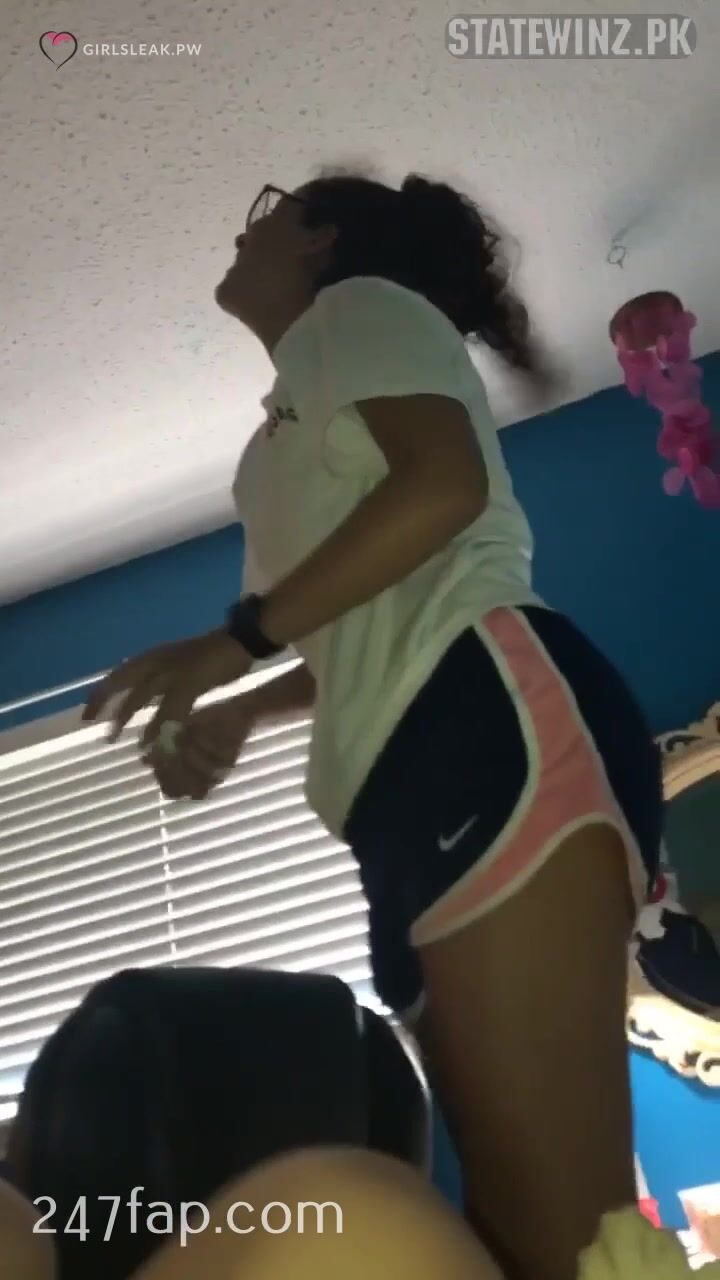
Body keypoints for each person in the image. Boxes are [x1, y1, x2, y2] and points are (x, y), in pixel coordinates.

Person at [83, 170, 666, 1280]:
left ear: (324, 236)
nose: (244, 226)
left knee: (563, 1239)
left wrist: (232, 644)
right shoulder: (291, 424)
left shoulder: (359, 309)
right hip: (406, 780)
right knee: (522, 1237)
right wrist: (246, 705)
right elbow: (360, 622)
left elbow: (443, 490)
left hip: (480, 719)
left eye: (265, 209)